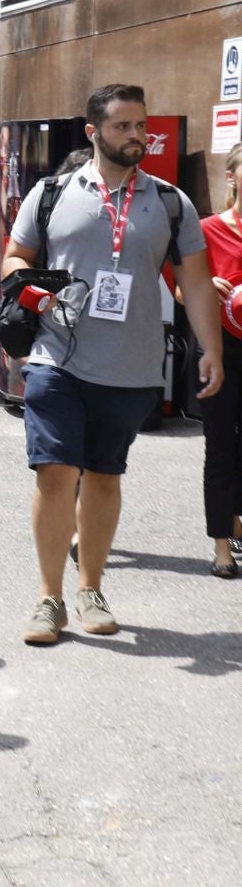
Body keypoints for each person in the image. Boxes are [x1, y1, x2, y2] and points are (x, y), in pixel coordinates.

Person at [2, 84, 224, 643]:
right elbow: (15, 256)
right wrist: (34, 293)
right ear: (93, 132)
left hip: (131, 363)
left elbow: (195, 282)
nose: (136, 136)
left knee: (104, 475)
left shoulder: (172, 202)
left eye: (140, 126)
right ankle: (49, 597)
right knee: (55, 473)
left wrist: (211, 350)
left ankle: (90, 588)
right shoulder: (51, 193)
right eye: (123, 126)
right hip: (57, 355)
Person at [197, 143, 242, 578]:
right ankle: (222, 545)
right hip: (219, 350)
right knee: (221, 448)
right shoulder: (208, 229)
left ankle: (235, 517)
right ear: (232, 177)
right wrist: (206, 283)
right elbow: (180, 291)